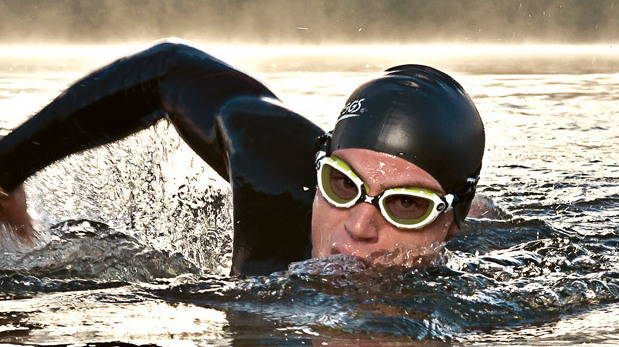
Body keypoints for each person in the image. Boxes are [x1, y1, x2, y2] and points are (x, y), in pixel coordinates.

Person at [0, 42, 485, 275]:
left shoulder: (499, 290)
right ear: (320, 168)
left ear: (451, 223)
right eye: (342, 185)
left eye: (405, 205)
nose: (358, 226)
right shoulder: (273, 172)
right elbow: (169, 68)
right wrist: (7, 169)